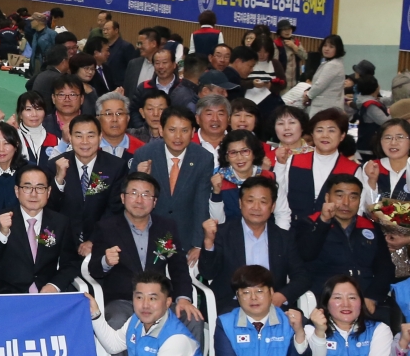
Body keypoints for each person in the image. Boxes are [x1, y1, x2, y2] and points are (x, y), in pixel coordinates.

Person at [88, 173, 198, 356]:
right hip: (123, 300)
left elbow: (179, 267)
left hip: (159, 301)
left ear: (154, 201)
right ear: (123, 198)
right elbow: (94, 269)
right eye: (134, 193)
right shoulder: (106, 227)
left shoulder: (167, 227)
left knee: (192, 317)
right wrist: (106, 260)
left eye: (146, 195)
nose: (139, 200)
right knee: (117, 321)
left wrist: (183, 299)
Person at [198, 177, 300, 313]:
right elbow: (207, 273)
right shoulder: (221, 233)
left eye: (263, 202)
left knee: (300, 324)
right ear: (240, 203)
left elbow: (301, 276)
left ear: (272, 207)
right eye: (250, 201)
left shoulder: (283, 237)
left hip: (273, 305)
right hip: (231, 305)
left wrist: (282, 295)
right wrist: (208, 242)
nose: (256, 207)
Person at [295, 174, 393, 308]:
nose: (346, 203)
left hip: (365, 299)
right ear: (327, 198)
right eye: (340, 196)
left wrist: (373, 296)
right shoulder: (308, 223)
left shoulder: (370, 227)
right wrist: (323, 222)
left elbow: (385, 268)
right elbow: (306, 254)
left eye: (353, 197)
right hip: (324, 300)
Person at [131, 107, 214, 254]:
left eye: (184, 130)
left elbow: (201, 203)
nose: (178, 137)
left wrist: (198, 244)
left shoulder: (203, 158)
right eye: (172, 130)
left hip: (185, 236)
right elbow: (130, 199)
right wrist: (140, 177)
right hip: (148, 233)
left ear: (193, 132)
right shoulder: (144, 154)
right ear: (161, 130)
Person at [0, 164, 75, 293]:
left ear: (48, 192)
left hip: (47, 293)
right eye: (27, 187)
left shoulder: (60, 222)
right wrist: (3, 232)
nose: (33, 194)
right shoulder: (1, 218)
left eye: (40, 188)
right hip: (10, 294)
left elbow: (70, 263)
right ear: (17, 191)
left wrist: (54, 285)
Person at [50, 114, 125, 245]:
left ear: (100, 137)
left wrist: (93, 240)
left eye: (90, 136)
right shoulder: (54, 165)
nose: (85, 141)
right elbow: (49, 208)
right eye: (78, 136)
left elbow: (115, 209)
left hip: (103, 242)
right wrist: (59, 180)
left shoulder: (116, 167)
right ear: (70, 138)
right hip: (63, 242)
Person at [275, 107, 356, 224]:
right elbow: (280, 199)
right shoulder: (293, 161)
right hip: (294, 230)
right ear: (312, 134)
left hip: (333, 233)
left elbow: (356, 211)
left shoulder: (353, 169)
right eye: (319, 130)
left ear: (342, 135)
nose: (325, 135)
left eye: (331, 130)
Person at [305, 34, 348, 113]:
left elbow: (320, 84)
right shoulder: (332, 62)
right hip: (327, 106)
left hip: (326, 107)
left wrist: (308, 95)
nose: (326, 49)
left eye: (331, 47)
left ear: (338, 49)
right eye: (325, 45)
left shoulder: (333, 64)